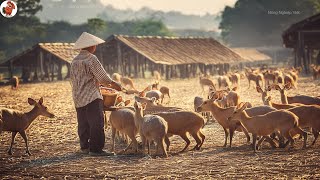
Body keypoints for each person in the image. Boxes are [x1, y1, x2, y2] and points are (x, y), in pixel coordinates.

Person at [70, 32, 121, 156]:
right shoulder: (91, 58)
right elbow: (103, 78)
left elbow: (75, 80)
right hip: (92, 97)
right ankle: (96, 150)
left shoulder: (74, 61)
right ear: (92, 46)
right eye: (95, 45)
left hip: (78, 97)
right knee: (97, 123)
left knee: (83, 124)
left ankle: (84, 147)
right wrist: (115, 85)